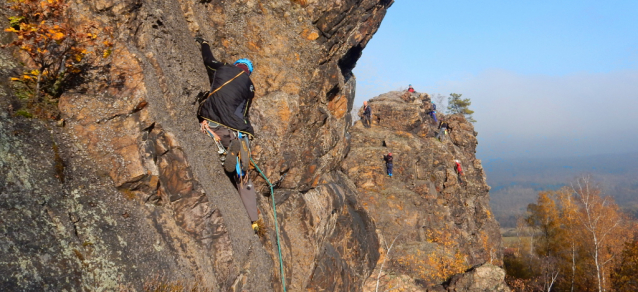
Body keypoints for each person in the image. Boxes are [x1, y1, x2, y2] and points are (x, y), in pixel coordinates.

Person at [195, 37, 260, 231]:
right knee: (244, 175)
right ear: (248, 72)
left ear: (236, 65)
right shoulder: (250, 87)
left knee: (210, 125)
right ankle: (254, 219)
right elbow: (244, 114)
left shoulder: (223, 69)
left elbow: (208, 60)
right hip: (236, 129)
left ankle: (225, 149)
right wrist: (244, 132)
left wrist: (204, 42)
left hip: (214, 123)